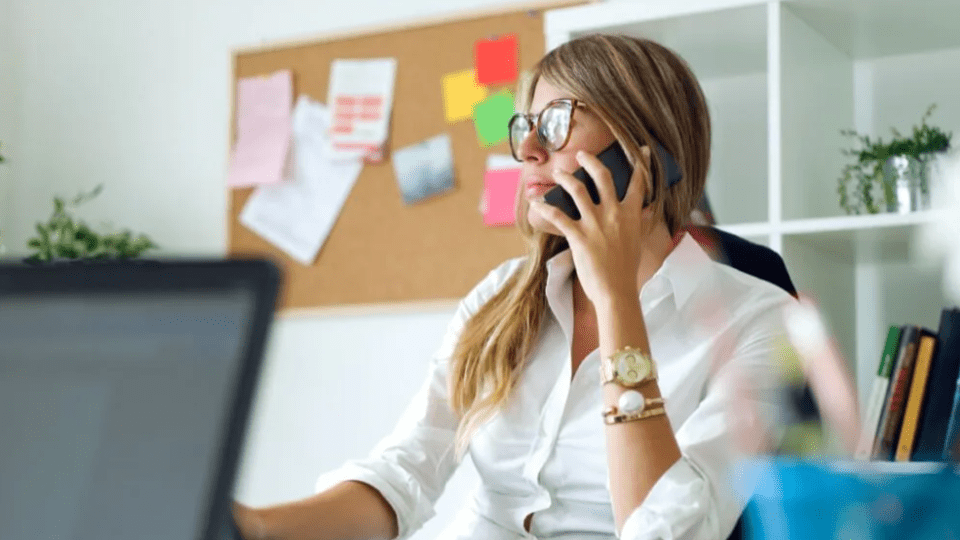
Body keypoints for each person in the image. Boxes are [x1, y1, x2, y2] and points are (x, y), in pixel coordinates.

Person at [233, 33, 796, 540]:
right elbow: (404, 474)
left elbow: (669, 531)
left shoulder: (759, 322)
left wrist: (616, 299)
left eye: (555, 122)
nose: (528, 150)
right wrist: (251, 528)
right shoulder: (502, 294)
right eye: (525, 126)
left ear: (643, 153)